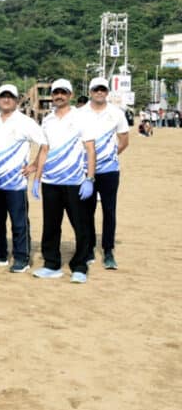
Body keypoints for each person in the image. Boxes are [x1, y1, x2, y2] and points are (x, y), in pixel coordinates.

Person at [31, 79, 97, 283]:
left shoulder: (82, 118)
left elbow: (90, 149)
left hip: (75, 181)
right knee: (51, 225)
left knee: (81, 224)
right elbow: (44, 149)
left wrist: (90, 178)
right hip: (51, 182)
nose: (59, 95)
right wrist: (37, 179)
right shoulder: (48, 120)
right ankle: (51, 264)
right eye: (56, 92)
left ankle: (80, 265)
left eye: (63, 92)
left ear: (70, 95)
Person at [0, 84, 46, 273]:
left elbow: (44, 144)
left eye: (10, 97)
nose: (6, 100)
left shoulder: (25, 122)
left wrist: (34, 166)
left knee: (19, 222)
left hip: (16, 183)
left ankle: (21, 257)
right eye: (3, 96)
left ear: (17, 100)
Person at [78, 77, 129, 269]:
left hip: (109, 171)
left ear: (107, 92)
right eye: (96, 89)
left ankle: (108, 250)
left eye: (103, 90)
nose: (99, 92)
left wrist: (111, 156)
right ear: (90, 91)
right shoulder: (80, 113)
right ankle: (89, 247)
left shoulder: (116, 113)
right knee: (86, 211)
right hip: (84, 171)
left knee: (109, 211)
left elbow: (124, 140)